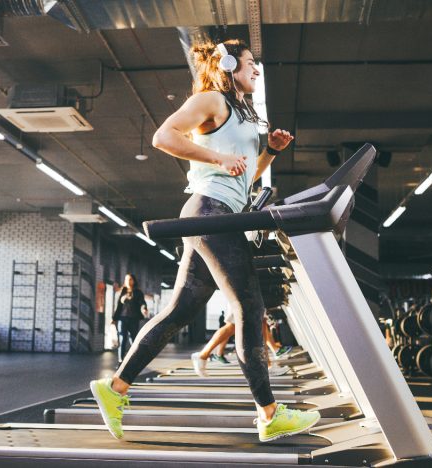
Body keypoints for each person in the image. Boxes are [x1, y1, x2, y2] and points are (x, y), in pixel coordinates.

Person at [90, 38, 320, 443]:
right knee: (249, 305)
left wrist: (270, 151)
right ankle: (269, 414)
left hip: (219, 215)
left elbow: (244, 178)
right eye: (251, 63)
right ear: (230, 65)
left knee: (179, 310)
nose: (257, 70)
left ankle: (115, 389)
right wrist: (216, 158)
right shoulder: (212, 100)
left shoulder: (244, 117)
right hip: (208, 212)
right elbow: (163, 136)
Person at [112, 274, 148, 360]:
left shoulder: (138, 292)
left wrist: (144, 309)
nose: (128, 281)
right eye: (126, 279)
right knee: (122, 339)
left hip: (133, 319)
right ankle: (121, 360)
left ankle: (134, 359)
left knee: (134, 340)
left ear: (134, 281)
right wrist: (114, 319)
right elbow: (117, 307)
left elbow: (142, 302)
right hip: (122, 319)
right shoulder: (121, 292)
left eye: (130, 279)